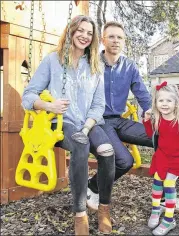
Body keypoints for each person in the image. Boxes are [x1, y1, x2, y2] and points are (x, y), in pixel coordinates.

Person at [85, 21, 179, 214]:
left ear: (124, 41)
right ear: (102, 40)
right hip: (98, 122)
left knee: (165, 139)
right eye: (111, 36)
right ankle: (92, 187)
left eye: (119, 37)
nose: (115, 41)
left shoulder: (129, 66)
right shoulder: (91, 62)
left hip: (118, 120)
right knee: (124, 161)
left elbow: (143, 95)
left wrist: (157, 115)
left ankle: (164, 197)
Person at [22, 15, 115, 235]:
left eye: (89, 33)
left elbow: (99, 104)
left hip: (88, 123)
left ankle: (104, 209)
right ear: (71, 31)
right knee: (81, 145)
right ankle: (80, 213)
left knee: (107, 151)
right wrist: (48, 105)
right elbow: (28, 96)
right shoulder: (53, 61)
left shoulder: (95, 64)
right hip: (61, 123)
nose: (84, 36)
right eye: (80, 30)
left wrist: (87, 126)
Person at [143, 81, 179, 235]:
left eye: (169, 100)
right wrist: (147, 118)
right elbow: (149, 134)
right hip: (161, 157)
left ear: (176, 103)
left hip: (177, 159)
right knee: (157, 182)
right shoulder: (157, 119)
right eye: (161, 101)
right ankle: (156, 209)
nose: (164, 104)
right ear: (155, 103)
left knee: (168, 184)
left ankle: (169, 220)